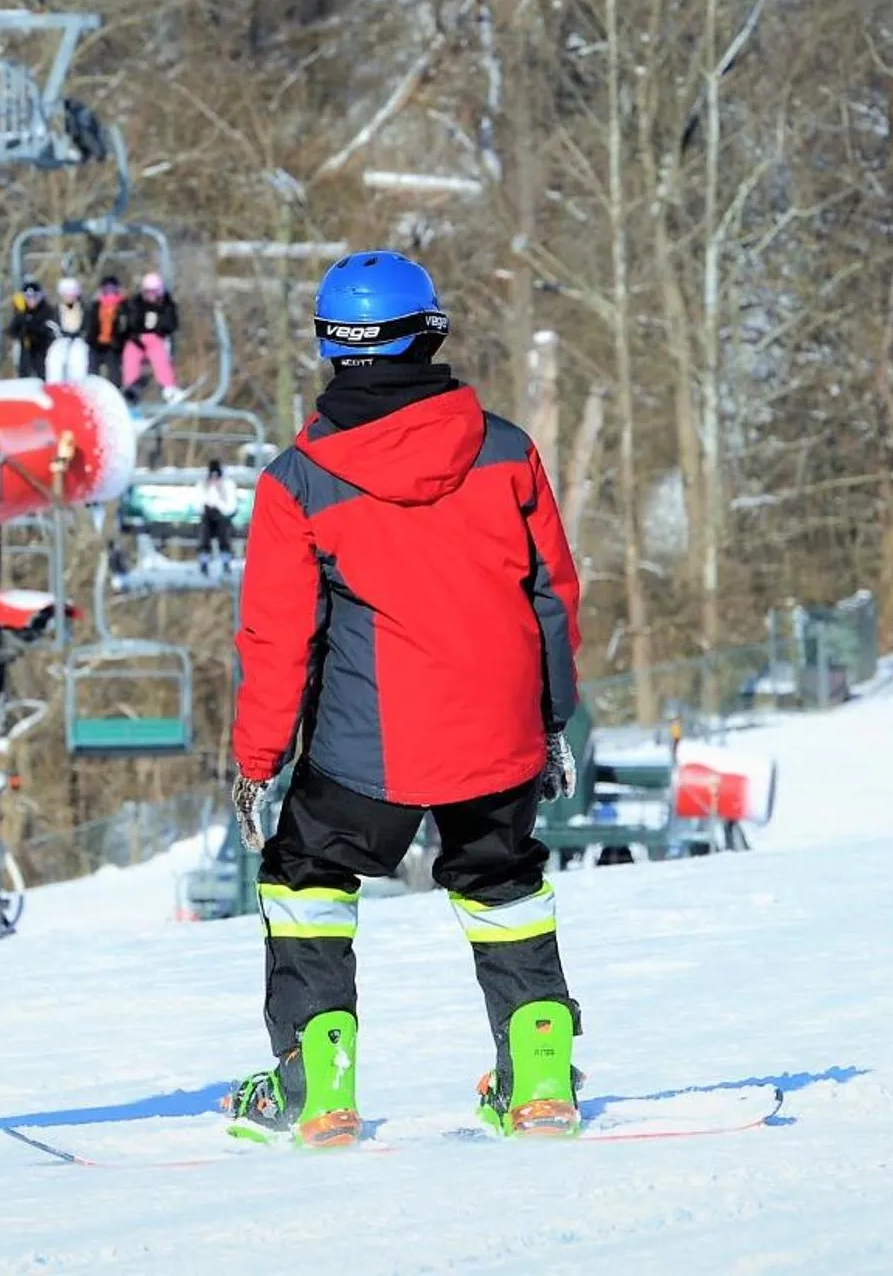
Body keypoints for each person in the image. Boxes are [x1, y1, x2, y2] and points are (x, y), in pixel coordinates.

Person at [224, 250, 585, 1148]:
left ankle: (316, 1082)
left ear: (332, 347)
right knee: (503, 877)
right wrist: (551, 719)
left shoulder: (297, 479)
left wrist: (258, 761)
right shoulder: (506, 450)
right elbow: (552, 593)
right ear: (430, 333)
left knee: (306, 877)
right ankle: (539, 1075)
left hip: (365, 753)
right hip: (500, 738)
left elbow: (279, 637)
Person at [117, 271, 182, 403]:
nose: (150, 295)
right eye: (148, 292)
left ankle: (168, 388)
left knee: (160, 358)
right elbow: (131, 321)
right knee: (130, 356)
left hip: (155, 338)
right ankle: (130, 387)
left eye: (154, 292)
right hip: (137, 338)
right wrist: (134, 335)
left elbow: (171, 324)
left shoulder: (166, 305)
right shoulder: (136, 304)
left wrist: (160, 328)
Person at [43, 277, 96, 383]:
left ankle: (78, 386)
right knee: (55, 360)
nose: (69, 296)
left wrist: (83, 335)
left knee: (78, 359)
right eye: (66, 293)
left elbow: (88, 326)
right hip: (60, 340)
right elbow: (50, 325)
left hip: (78, 340)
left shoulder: (84, 309)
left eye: (72, 293)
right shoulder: (55, 310)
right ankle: (55, 387)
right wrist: (56, 334)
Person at [198, 458, 239, 579]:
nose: (214, 479)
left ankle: (226, 563)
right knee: (204, 536)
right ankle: (204, 563)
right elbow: (198, 502)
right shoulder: (203, 484)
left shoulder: (228, 485)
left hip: (223, 515)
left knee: (224, 537)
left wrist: (219, 503)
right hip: (207, 515)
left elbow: (231, 506)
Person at [6, 279, 51, 380]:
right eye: (28, 297)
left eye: (35, 296)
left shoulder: (47, 311)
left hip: (43, 351)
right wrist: (21, 315)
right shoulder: (22, 312)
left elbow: (45, 331)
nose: (32, 300)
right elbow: (12, 330)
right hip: (26, 353)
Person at [89, 274, 126, 379]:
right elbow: (92, 325)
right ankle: (92, 384)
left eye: (112, 287)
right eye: (106, 288)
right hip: (98, 342)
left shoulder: (123, 304)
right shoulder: (96, 305)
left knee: (113, 362)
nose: (109, 290)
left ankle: (115, 385)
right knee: (92, 360)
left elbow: (125, 326)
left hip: (115, 342)